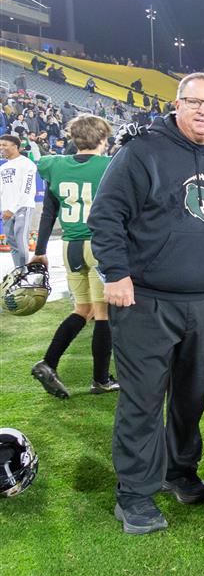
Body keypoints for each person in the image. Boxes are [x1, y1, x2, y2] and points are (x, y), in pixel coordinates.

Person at [88, 73, 204, 534]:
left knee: (191, 398)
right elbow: (106, 214)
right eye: (194, 103)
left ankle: (179, 471)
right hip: (147, 300)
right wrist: (115, 272)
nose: (203, 112)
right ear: (175, 104)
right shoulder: (141, 151)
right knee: (142, 400)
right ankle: (134, 494)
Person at [29, 115, 117, 398]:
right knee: (103, 315)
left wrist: (40, 249)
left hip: (70, 247)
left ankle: (49, 362)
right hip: (100, 245)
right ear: (103, 138)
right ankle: (101, 379)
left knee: (84, 310)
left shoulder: (54, 165)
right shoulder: (109, 165)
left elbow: (48, 212)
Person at [0, 134, 38, 267]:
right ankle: (18, 271)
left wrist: (12, 209)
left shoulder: (27, 164)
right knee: (13, 244)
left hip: (23, 207)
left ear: (15, 147)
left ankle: (24, 274)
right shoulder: (3, 168)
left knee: (21, 242)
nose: (1, 148)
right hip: (6, 211)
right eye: (0, 145)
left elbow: (27, 190)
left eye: (4, 145)